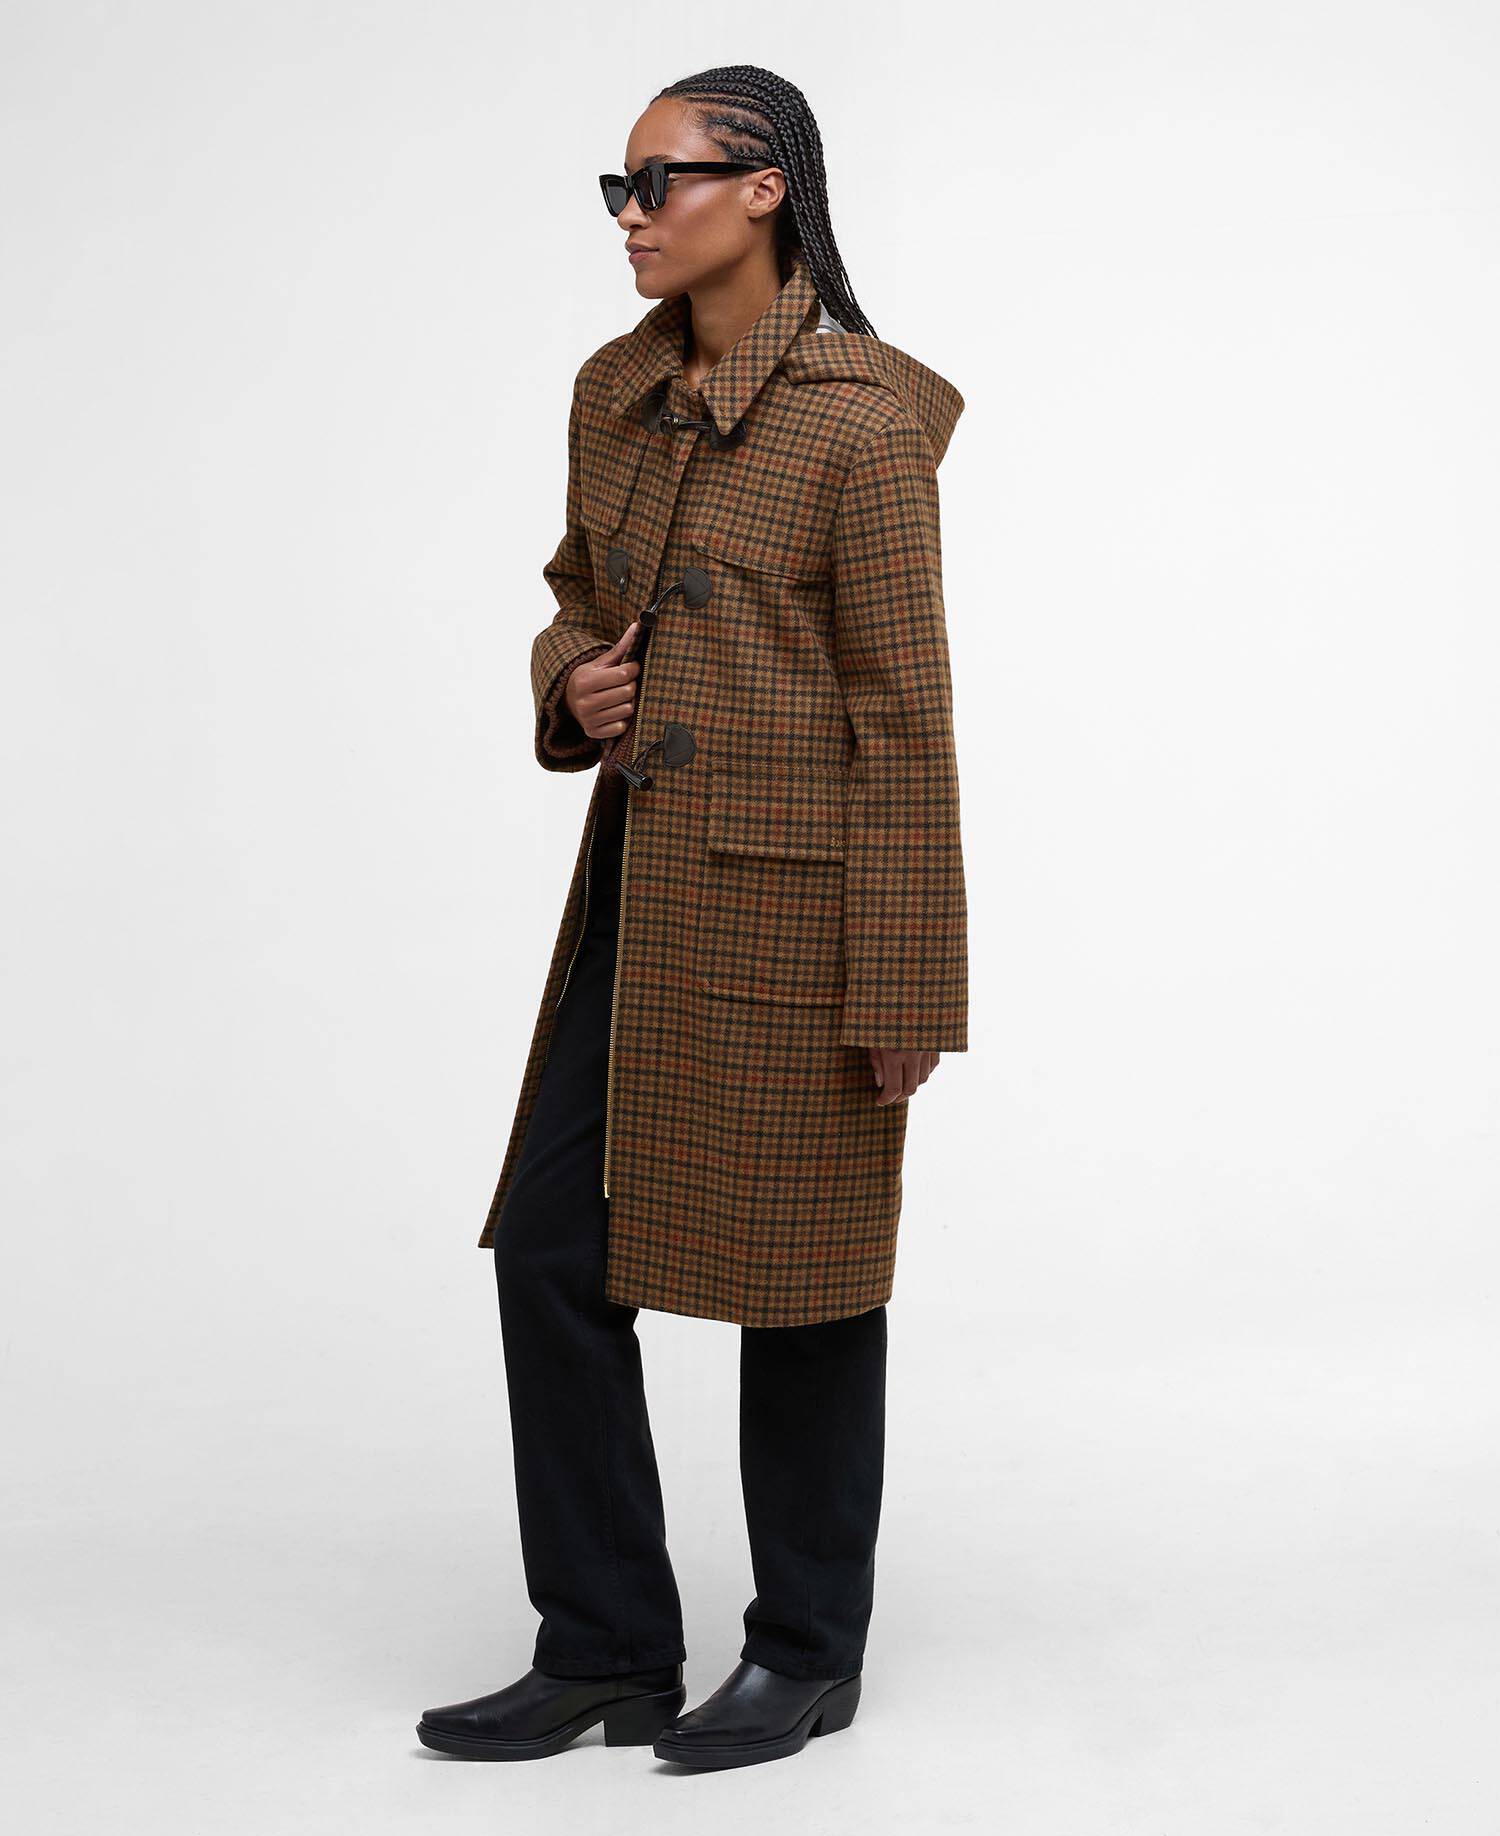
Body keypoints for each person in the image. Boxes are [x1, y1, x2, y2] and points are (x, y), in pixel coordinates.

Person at [418, 62, 967, 1772]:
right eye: (621, 186)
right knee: (548, 1248)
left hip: (805, 914)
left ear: (767, 191)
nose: (632, 214)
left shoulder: (862, 421)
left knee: (805, 1285)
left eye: (662, 181)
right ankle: (602, 1648)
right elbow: (576, 596)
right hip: (641, 890)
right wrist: (565, 684)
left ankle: (806, 1653)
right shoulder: (616, 390)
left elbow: (907, 716)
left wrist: (909, 987)